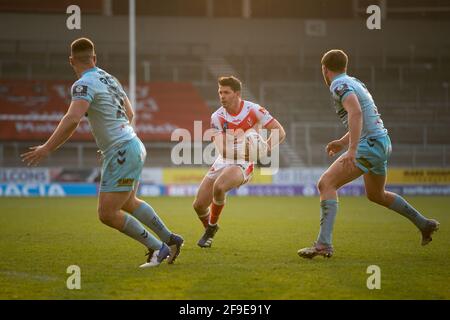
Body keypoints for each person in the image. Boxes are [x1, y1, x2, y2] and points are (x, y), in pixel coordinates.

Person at [21, 37, 183, 268]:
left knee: (107, 213)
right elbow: (130, 113)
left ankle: (159, 248)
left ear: (71, 61)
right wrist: (113, 140)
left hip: (122, 148)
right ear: (94, 58)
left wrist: (47, 147)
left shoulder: (82, 84)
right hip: (133, 143)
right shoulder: (110, 79)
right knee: (128, 203)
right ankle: (171, 239)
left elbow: (73, 119)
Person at [297, 49, 439, 259]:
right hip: (381, 142)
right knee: (376, 195)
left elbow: (356, 112)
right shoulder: (355, 82)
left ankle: (323, 245)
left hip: (369, 144)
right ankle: (424, 224)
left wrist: (352, 149)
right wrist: (343, 142)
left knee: (326, 184)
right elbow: (363, 115)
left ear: (324, 69)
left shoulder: (338, 85)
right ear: (345, 67)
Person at [193, 76, 286, 248]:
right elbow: (223, 150)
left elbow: (279, 132)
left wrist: (263, 150)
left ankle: (211, 227)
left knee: (219, 187)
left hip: (244, 162)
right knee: (198, 205)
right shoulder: (217, 117)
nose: (222, 96)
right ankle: (210, 231)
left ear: (237, 93)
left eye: (226, 92)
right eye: (220, 92)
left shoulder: (254, 110)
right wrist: (246, 151)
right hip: (226, 158)